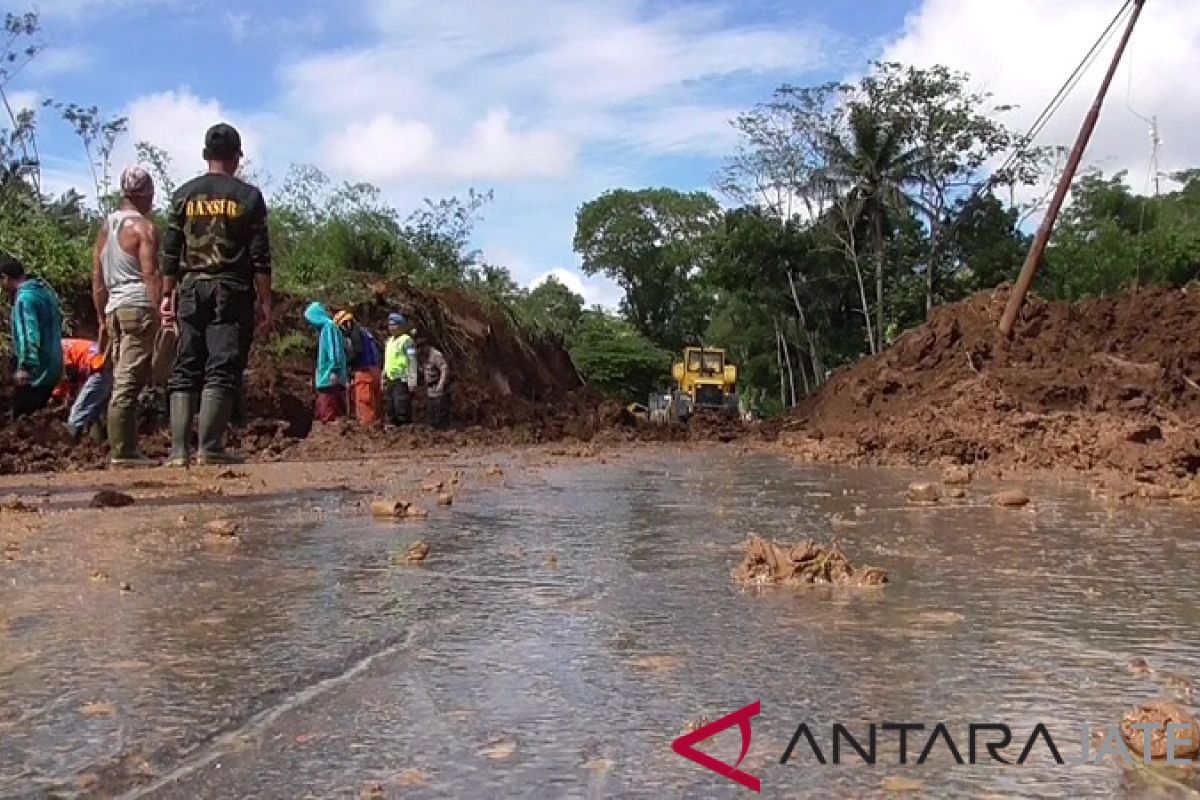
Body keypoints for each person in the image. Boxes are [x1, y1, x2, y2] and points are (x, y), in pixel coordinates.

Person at [161, 123, 272, 466]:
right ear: (237, 158)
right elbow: (260, 256)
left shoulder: (183, 195)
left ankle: (179, 452)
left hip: (192, 288)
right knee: (222, 366)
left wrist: (167, 295)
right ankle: (209, 448)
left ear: (206, 155)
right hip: (232, 289)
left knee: (186, 365)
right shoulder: (248, 198)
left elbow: (170, 251)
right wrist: (265, 300)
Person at [92, 165, 161, 467]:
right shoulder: (143, 228)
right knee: (128, 383)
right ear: (145, 194)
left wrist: (100, 317)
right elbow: (151, 274)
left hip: (114, 309)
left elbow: (97, 278)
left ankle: (125, 446)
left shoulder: (106, 228)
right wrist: (162, 312)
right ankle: (123, 451)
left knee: (121, 379)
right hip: (137, 308)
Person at [1, 253, 63, 419]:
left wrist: (26, 367)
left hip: (36, 371)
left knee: (22, 420)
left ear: (5, 278)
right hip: (53, 365)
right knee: (35, 418)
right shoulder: (45, 294)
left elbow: (29, 334)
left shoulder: (24, 299)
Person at [53, 338, 112, 443]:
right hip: (108, 368)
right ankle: (96, 443)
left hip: (99, 369)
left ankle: (68, 445)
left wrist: (62, 396)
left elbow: (70, 373)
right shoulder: (64, 344)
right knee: (93, 412)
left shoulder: (56, 348)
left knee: (77, 412)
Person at [334, 310, 383, 425]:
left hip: (364, 372)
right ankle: (375, 426)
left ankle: (367, 429)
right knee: (375, 403)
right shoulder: (366, 332)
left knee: (364, 402)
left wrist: (347, 364)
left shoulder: (355, 333)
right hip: (375, 370)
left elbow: (357, 351)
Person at [305, 302, 348, 422]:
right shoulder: (325, 329)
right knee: (325, 411)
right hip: (325, 378)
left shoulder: (329, 327)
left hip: (329, 379)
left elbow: (334, 350)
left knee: (329, 413)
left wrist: (334, 370)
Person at [382, 312, 417, 426]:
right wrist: (383, 375)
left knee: (401, 405)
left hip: (401, 378)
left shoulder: (406, 340)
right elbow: (387, 359)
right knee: (390, 406)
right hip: (390, 377)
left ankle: (405, 427)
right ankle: (393, 426)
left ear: (401, 326)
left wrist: (413, 379)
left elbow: (412, 360)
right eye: (390, 325)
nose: (391, 328)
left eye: (395, 325)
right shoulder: (389, 341)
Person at [419, 334, 450, 429]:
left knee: (439, 412)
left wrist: (441, 384)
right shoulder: (423, 356)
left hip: (437, 387)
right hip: (429, 389)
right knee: (431, 413)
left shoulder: (435, 355)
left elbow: (444, 369)